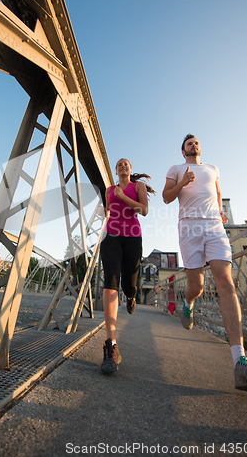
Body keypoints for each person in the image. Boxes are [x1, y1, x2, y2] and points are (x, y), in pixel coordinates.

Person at [162, 134, 247, 391]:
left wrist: (221, 210)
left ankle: (239, 363)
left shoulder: (213, 169)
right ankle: (188, 302)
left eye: (196, 142)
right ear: (183, 151)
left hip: (214, 227)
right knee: (197, 287)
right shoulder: (177, 169)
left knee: (225, 282)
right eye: (189, 143)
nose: (194, 145)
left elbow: (218, 193)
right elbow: (167, 197)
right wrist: (183, 183)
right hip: (189, 227)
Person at [100, 158, 155, 373]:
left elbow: (144, 210)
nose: (123, 166)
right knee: (110, 279)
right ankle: (111, 345)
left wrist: (124, 198)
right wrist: (103, 214)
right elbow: (108, 210)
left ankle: (131, 297)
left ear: (130, 170)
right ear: (116, 171)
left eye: (127, 164)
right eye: (120, 164)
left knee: (128, 285)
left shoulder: (137, 187)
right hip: (111, 236)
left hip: (132, 237)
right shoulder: (109, 190)